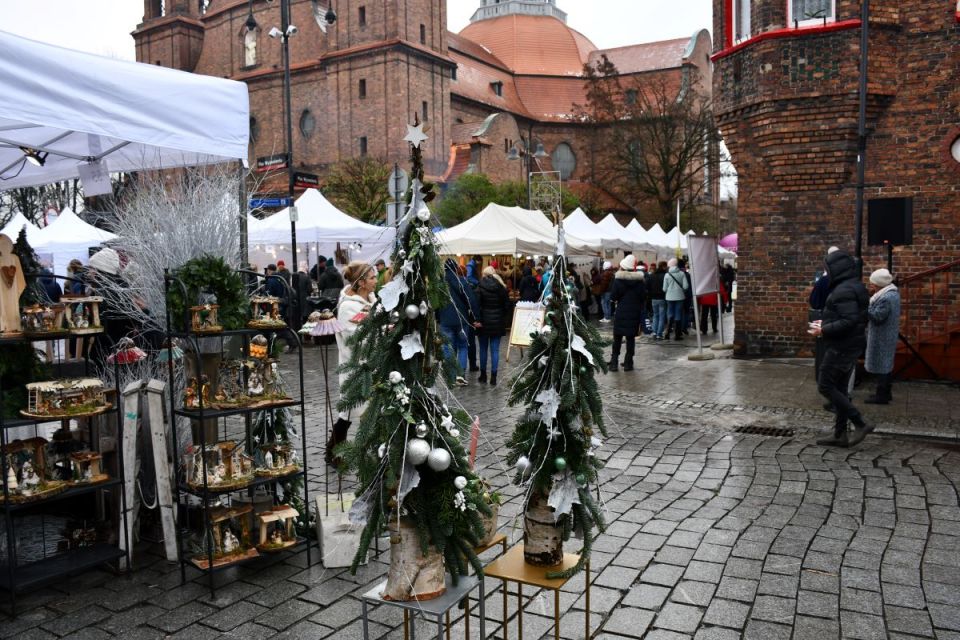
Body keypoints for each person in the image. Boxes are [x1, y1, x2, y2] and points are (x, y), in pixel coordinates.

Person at [810, 249, 872, 447]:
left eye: (827, 269)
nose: (826, 272)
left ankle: (860, 422)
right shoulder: (854, 286)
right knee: (840, 389)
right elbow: (852, 317)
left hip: (842, 345)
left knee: (825, 385)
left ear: (836, 269)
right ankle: (839, 434)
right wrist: (826, 322)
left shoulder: (843, 290)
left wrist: (824, 330)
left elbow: (849, 320)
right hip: (851, 343)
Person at [328, 261, 377, 463]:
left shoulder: (372, 300)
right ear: (362, 282)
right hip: (355, 366)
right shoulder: (348, 307)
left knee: (362, 411)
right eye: (373, 277)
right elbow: (355, 337)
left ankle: (336, 451)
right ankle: (335, 452)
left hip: (372, 364)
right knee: (349, 412)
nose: (376, 281)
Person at [437, 259, 479, 386]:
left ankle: (451, 375)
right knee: (462, 346)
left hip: (445, 320)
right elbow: (471, 300)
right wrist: (476, 317)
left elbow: (435, 303)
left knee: (447, 348)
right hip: (461, 320)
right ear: (455, 269)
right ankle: (460, 375)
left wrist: (437, 317)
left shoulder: (440, 285)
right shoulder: (462, 282)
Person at [864, 268, 900, 404]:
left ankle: (882, 395)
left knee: (883, 365)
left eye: (873, 283)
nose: (871, 285)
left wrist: (865, 307)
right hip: (886, 334)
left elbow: (878, 316)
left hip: (883, 335)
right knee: (885, 364)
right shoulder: (891, 293)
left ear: (880, 284)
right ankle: (884, 393)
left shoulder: (886, 297)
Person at [607, 255, 645, 372]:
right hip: (634, 312)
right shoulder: (640, 282)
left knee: (617, 338)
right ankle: (628, 363)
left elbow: (613, 297)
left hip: (621, 312)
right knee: (630, 339)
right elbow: (643, 297)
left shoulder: (618, 281)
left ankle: (614, 363)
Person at [475, 266, 510, 386]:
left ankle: (483, 375)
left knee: (483, 349)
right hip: (497, 322)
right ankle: (494, 377)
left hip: (483, 322)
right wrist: (501, 315)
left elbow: (476, 306)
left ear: (484, 274)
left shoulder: (479, 287)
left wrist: (478, 319)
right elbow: (507, 306)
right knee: (495, 350)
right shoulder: (501, 287)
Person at [663, 258, 689, 340]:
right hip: (680, 297)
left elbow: (664, 289)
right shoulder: (682, 274)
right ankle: (677, 335)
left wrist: (669, 290)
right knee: (678, 314)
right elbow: (686, 286)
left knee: (670, 314)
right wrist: (681, 290)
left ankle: (667, 333)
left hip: (669, 297)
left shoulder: (667, 275)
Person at [648, 261, 668, 340]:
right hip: (662, 298)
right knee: (661, 316)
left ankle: (654, 332)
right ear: (663, 266)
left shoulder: (652, 275)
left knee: (655, 315)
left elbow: (647, 286)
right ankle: (659, 334)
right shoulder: (665, 275)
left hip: (653, 298)